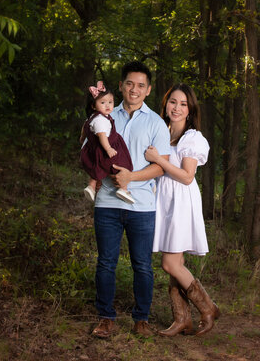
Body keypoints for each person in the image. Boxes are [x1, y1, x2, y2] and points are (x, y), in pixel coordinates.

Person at [91, 61, 171, 339]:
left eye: (140, 85)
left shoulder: (156, 123)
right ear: (122, 85)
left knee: (142, 265)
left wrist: (130, 177)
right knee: (106, 262)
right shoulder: (104, 115)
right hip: (107, 203)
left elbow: (161, 166)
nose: (134, 89)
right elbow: (91, 153)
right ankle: (106, 317)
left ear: (147, 90)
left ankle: (141, 319)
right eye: (129, 84)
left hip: (142, 207)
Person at [144, 83, 220, 337]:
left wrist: (159, 160)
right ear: (165, 104)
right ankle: (182, 319)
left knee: (169, 263)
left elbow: (187, 177)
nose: (177, 108)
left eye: (183, 104)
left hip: (180, 200)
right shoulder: (161, 132)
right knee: (175, 262)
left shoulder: (192, 137)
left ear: (190, 109)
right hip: (164, 200)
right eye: (173, 102)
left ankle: (208, 308)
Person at [80, 81, 135, 205]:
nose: (108, 106)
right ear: (94, 106)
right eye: (103, 103)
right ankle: (123, 189)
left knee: (97, 167)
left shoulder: (91, 118)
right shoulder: (101, 120)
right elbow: (102, 136)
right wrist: (108, 148)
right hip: (103, 150)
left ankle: (91, 186)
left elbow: (84, 130)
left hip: (93, 151)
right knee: (123, 163)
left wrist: (82, 139)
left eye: (110, 102)